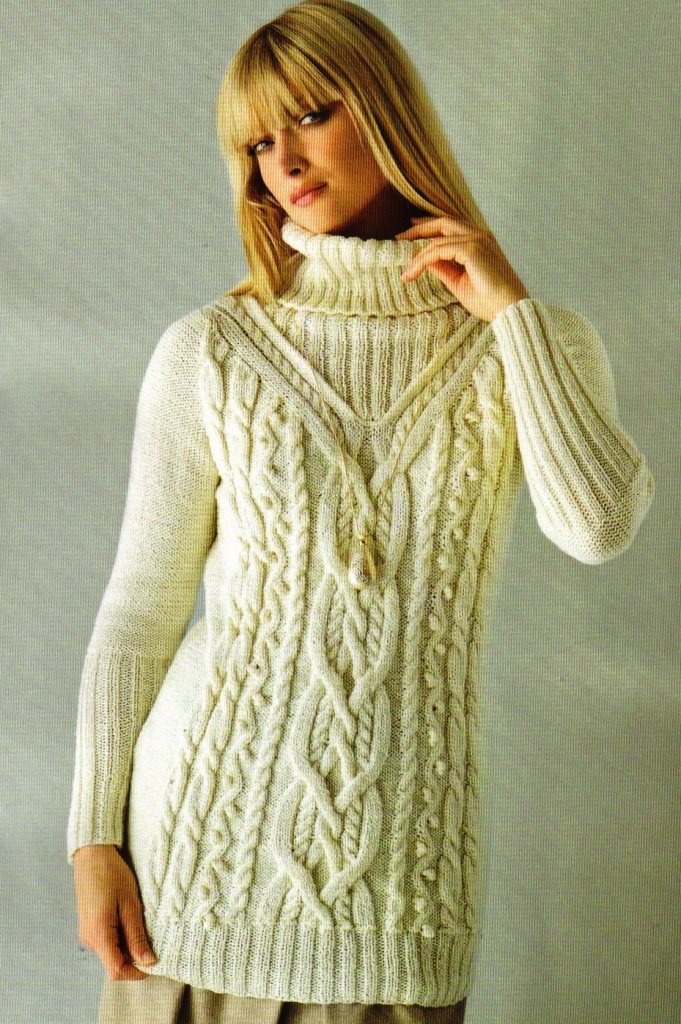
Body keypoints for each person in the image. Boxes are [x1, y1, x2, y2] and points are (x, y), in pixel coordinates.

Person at [69, 1, 655, 1022]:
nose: (284, 162)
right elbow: (140, 608)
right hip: (193, 868)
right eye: (257, 143)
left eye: (310, 115)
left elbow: (598, 526)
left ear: (385, 108)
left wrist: (510, 314)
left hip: (403, 893)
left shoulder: (533, 342)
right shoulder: (210, 349)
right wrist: (93, 838)